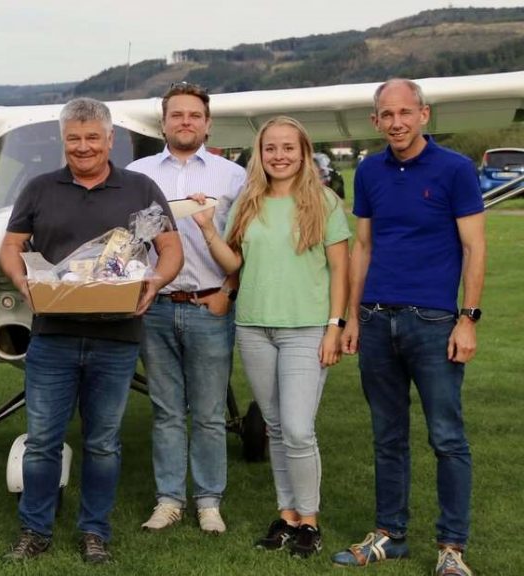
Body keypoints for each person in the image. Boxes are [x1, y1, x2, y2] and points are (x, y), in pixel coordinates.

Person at [0, 97, 183, 564]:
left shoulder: (141, 189)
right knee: (42, 440)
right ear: (64, 141)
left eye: (92, 138)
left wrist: (155, 281)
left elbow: (169, 248)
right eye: (74, 139)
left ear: (110, 140)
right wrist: (23, 281)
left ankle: (94, 530)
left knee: (103, 442)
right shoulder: (39, 189)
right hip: (52, 336)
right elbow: (11, 246)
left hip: (115, 338)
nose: (83, 147)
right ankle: (34, 529)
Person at [332, 79, 485, 576]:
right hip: (376, 320)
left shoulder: (456, 170)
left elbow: (474, 248)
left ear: (423, 114)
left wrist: (468, 318)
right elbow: (364, 248)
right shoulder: (369, 171)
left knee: (446, 437)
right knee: (387, 436)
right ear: (375, 121)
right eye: (386, 115)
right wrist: (353, 316)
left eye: (405, 112)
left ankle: (451, 548)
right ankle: (390, 535)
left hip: (435, 323)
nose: (396, 122)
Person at [195, 115, 349, 558]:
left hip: (306, 328)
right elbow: (232, 264)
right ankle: (286, 515)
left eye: (288, 148)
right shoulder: (249, 201)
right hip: (255, 327)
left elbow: (341, 269)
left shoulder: (324, 202)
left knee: (300, 430)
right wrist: (207, 228)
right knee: (277, 428)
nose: (279, 156)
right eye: (270, 148)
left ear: (303, 152)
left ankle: (310, 521)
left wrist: (334, 326)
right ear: (259, 155)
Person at [126, 82, 245, 534]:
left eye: (194, 115)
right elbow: (129, 241)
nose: (186, 122)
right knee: (166, 409)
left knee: (211, 411)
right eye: (177, 115)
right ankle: (169, 498)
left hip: (208, 304)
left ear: (208, 123)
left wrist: (228, 292)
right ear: (164, 122)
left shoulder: (231, 176)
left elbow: (242, 241)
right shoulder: (137, 173)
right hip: (155, 306)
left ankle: (209, 500)